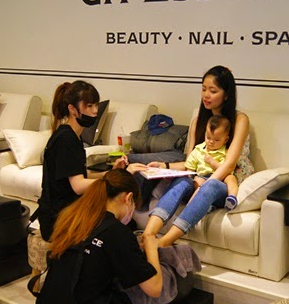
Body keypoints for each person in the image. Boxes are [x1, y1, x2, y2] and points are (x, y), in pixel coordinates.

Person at [34, 168, 188, 304]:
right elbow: (154, 288)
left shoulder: (74, 217)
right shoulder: (116, 232)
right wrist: (150, 244)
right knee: (164, 280)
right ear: (128, 198)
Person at [142, 65, 254, 247]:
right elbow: (190, 163)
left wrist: (202, 187)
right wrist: (165, 166)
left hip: (224, 181)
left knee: (210, 186)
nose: (206, 95)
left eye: (213, 91)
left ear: (226, 95)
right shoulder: (198, 122)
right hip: (200, 178)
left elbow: (229, 165)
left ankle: (163, 243)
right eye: (203, 89)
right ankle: (148, 235)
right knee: (182, 181)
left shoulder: (240, 120)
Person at [37, 80, 146, 241]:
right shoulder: (66, 139)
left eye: (95, 105)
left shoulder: (72, 136)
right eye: (89, 106)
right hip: (58, 220)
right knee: (119, 228)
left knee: (125, 225)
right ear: (72, 109)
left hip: (64, 213)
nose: (95, 111)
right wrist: (116, 178)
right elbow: (78, 185)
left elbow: (79, 175)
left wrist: (113, 172)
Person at [185, 114, 239, 210]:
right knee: (197, 182)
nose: (211, 142)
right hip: (202, 177)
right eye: (208, 137)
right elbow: (190, 167)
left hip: (221, 179)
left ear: (225, 139)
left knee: (231, 178)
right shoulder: (198, 150)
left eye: (216, 140)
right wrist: (190, 176)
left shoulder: (225, 152)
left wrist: (212, 162)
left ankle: (232, 198)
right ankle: (204, 205)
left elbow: (225, 169)